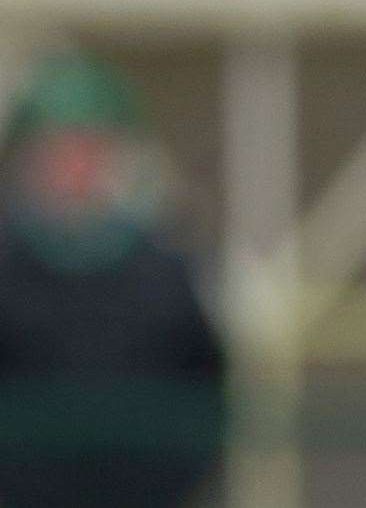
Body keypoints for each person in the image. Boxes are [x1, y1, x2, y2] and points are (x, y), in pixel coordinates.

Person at [0, 51, 227, 507]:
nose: (74, 169)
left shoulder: (163, 272)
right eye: (58, 153)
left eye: (89, 151)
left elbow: (206, 397)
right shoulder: (8, 269)